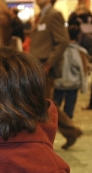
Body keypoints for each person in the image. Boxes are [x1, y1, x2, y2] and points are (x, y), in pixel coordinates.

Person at [30, 0, 83, 150]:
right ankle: (70, 131)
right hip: (37, 66)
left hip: (44, 67)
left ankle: (66, 133)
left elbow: (63, 41)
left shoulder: (54, 15)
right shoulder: (41, 15)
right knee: (44, 102)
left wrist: (48, 64)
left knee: (43, 103)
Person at [53, 24, 89, 119]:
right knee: (69, 107)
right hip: (73, 83)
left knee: (55, 106)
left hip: (58, 82)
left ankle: (54, 123)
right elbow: (83, 70)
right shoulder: (81, 52)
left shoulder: (57, 50)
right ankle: (68, 122)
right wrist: (84, 87)